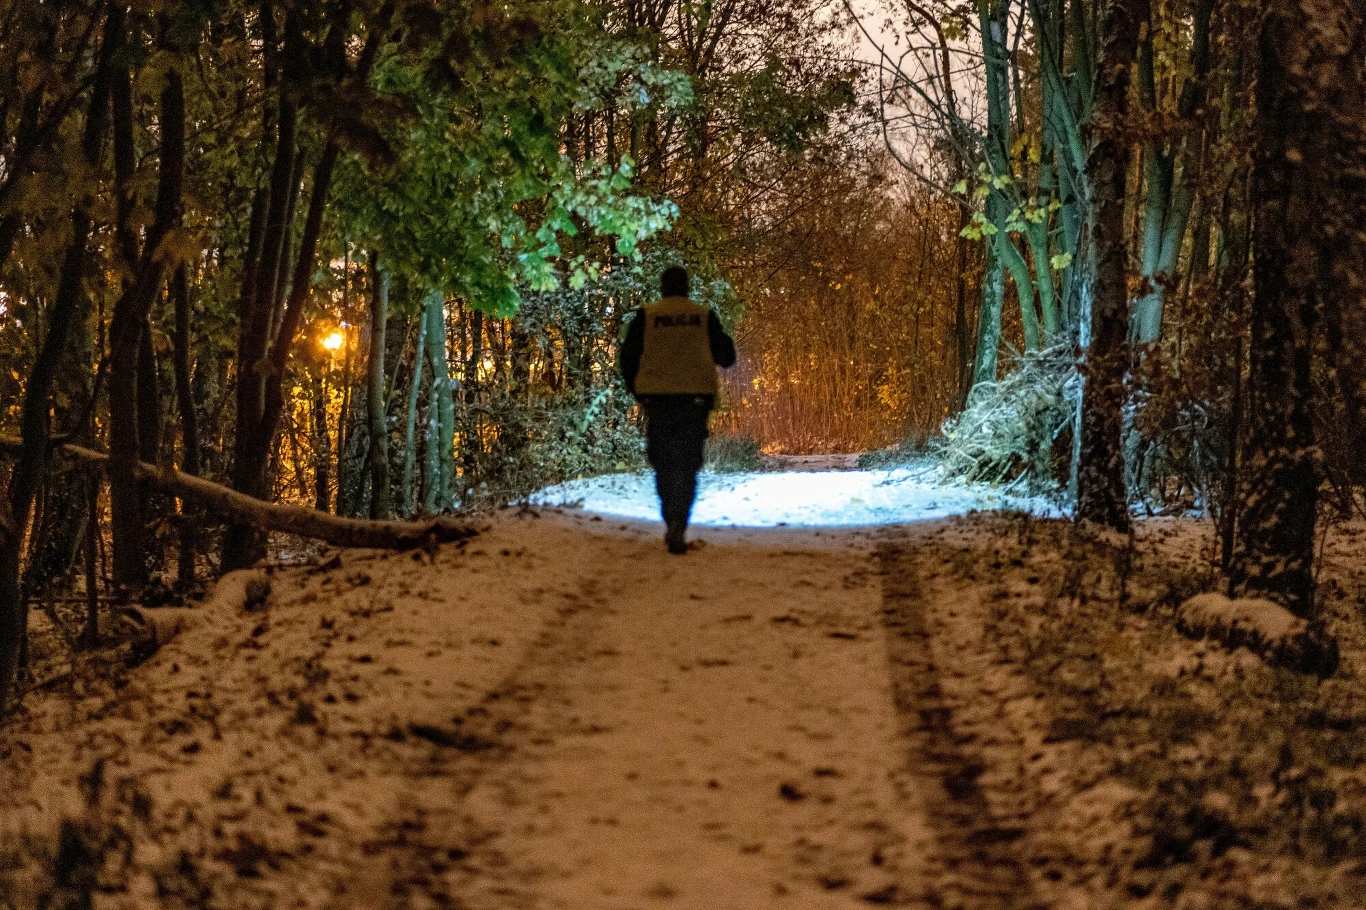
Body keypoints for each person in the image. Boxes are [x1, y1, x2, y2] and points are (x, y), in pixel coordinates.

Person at [619, 266, 737, 554]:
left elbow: (627, 357)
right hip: (694, 400)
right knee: (687, 463)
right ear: (687, 287)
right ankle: (679, 522)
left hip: (658, 400)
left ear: (662, 287)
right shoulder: (703, 316)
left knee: (663, 462)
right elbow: (727, 357)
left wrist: (637, 391)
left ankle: (669, 517)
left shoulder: (646, 316)